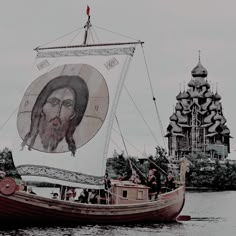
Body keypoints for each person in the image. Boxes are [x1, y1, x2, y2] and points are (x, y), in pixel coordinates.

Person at [21, 76, 89, 156]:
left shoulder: (68, 150)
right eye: (53, 102)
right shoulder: (29, 144)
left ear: (73, 114)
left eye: (67, 104)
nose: (58, 112)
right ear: (42, 107)